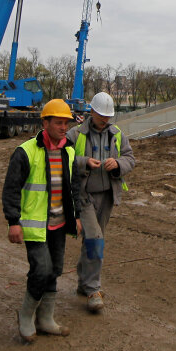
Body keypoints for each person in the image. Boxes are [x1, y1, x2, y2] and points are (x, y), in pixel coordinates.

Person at [2, 98, 89, 343]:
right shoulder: (26, 151)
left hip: (59, 224)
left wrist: (77, 216)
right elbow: (11, 189)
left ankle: (46, 318)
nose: (63, 127)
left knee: (55, 270)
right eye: (58, 122)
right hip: (34, 225)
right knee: (41, 270)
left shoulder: (69, 151)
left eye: (66, 123)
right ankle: (26, 315)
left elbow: (73, 188)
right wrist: (13, 221)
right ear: (45, 122)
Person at [66, 90, 135, 313]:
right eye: (101, 115)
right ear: (92, 112)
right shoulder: (76, 134)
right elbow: (60, 158)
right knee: (95, 240)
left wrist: (118, 164)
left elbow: (130, 158)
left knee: (93, 239)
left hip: (107, 196)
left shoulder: (117, 134)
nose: (105, 119)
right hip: (84, 196)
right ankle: (93, 289)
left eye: (108, 115)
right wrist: (84, 161)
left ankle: (83, 283)